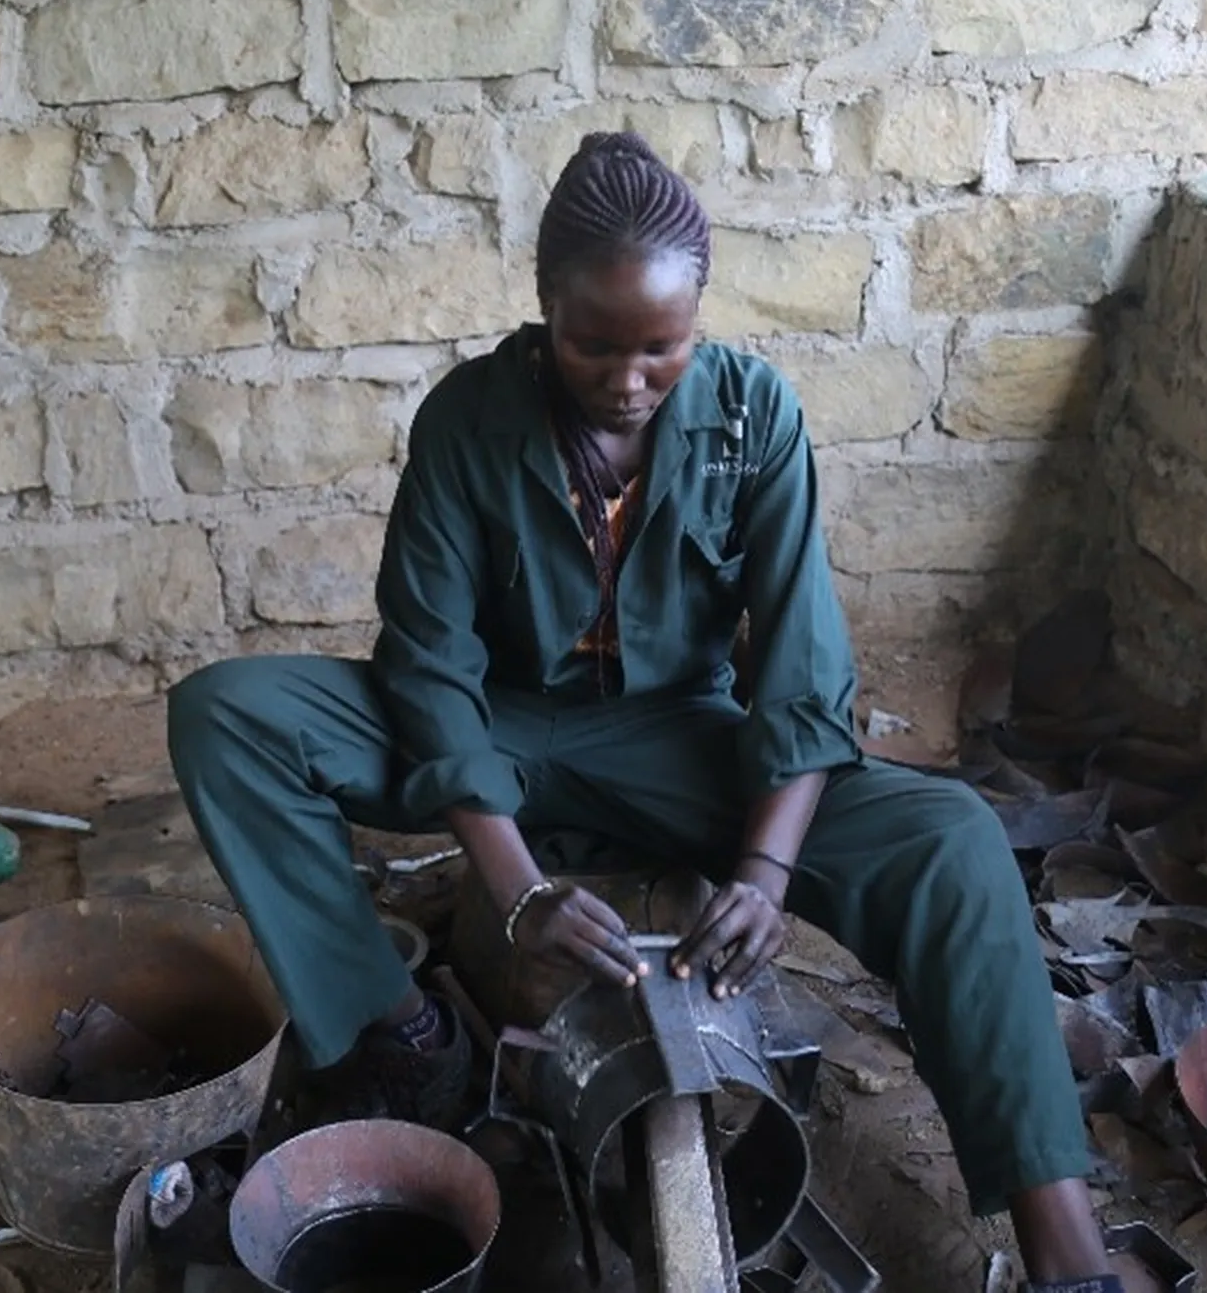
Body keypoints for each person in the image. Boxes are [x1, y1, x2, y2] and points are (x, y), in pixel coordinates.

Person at [167, 133, 1142, 1293]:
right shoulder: (467, 422)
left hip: (683, 741)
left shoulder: (753, 417)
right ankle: (395, 1033)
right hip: (501, 727)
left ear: (700, 323)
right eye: (594, 344)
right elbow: (429, 669)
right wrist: (518, 890)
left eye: (661, 348)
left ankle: (1066, 1249)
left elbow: (799, 669)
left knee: (956, 841)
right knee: (230, 714)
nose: (628, 377)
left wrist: (766, 874)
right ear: (544, 311)